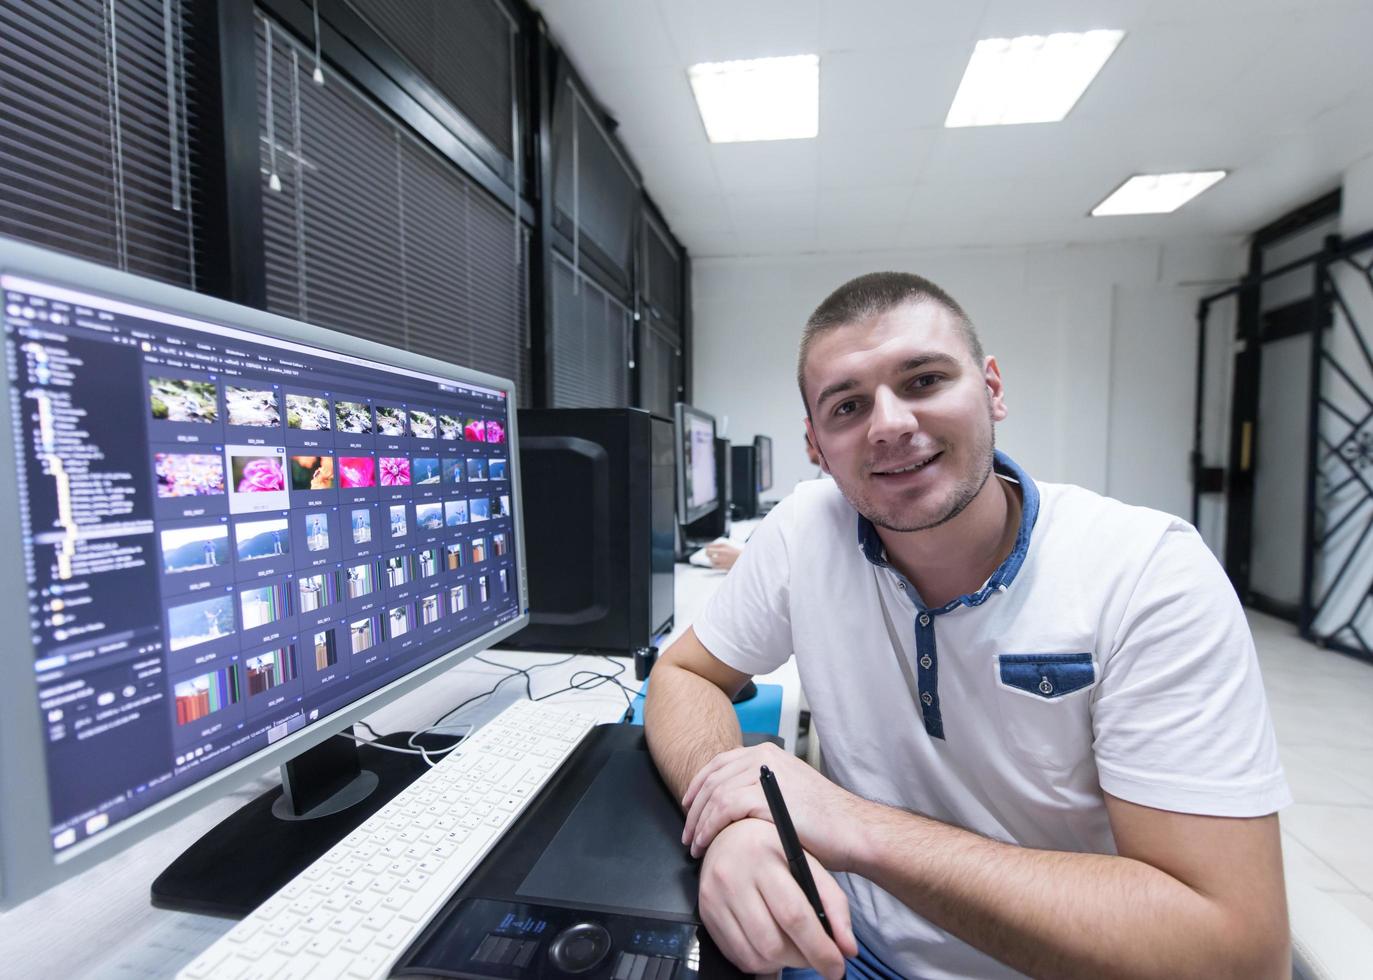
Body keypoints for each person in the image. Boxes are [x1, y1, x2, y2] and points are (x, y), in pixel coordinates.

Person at [643, 272, 1290, 980]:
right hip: (847, 952)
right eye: (848, 405)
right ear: (815, 445)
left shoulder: (1144, 573)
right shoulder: (806, 530)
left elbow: (1235, 953)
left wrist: (854, 827)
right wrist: (732, 819)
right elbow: (684, 673)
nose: (888, 423)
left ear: (991, 390)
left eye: (922, 380)